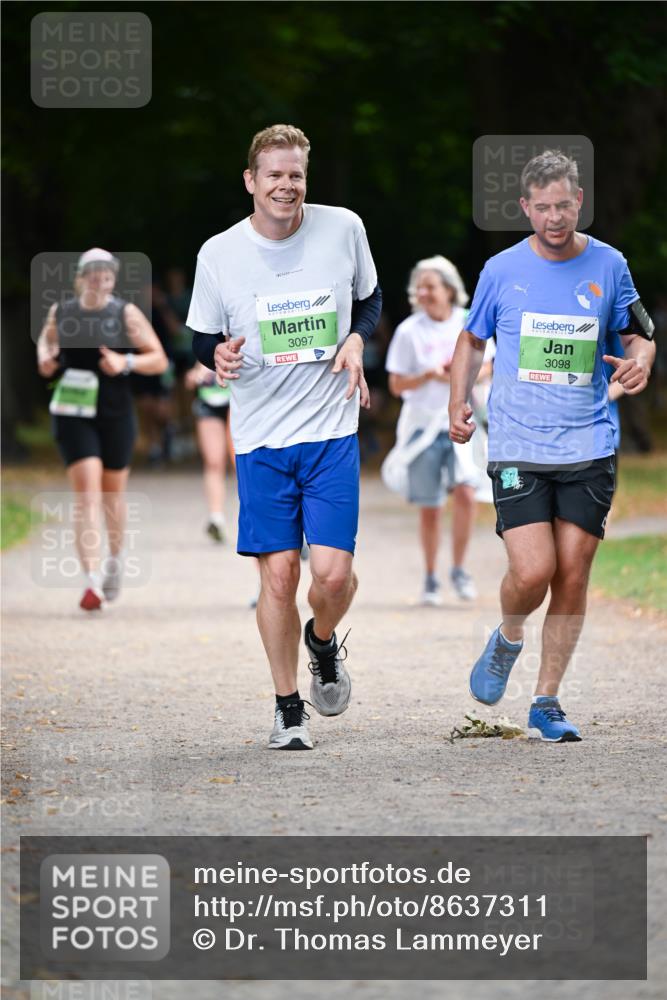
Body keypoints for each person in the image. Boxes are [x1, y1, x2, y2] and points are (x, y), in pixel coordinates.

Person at [449, 150, 655, 743]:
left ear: (579, 201)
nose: (554, 217)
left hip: (589, 441)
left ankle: (546, 700)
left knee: (572, 574)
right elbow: (469, 342)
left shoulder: (609, 264)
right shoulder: (501, 270)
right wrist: (456, 401)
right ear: (525, 208)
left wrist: (640, 362)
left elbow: (640, 333)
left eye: (564, 205)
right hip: (518, 442)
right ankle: (509, 633)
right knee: (534, 570)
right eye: (542, 208)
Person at [187, 124, 381, 750]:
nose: (286, 185)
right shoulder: (219, 254)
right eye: (274, 174)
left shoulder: (344, 228)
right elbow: (200, 339)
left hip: (330, 430)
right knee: (278, 577)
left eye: (295, 174)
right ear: (251, 181)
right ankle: (287, 705)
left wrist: (355, 339)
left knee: (330, 577)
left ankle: (320, 642)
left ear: (306, 177)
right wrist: (215, 357)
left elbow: (370, 302)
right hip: (262, 438)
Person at [37, 248, 169, 611]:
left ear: (113, 277)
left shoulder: (124, 313)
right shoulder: (61, 311)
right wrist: (45, 359)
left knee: (112, 496)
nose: (100, 277)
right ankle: (91, 580)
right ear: (80, 277)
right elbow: (47, 343)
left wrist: (124, 361)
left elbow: (158, 359)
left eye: (106, 272)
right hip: (73, 411)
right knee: (87, 494)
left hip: (114, 412)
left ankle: (115, 559)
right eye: (93, 272)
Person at [386, 256, 494, 605]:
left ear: (449, 289)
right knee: (430, 506)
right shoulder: (408, 331)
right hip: (423, 427)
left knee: (466, 492)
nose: (423, 293)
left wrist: (459, 374)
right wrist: (428, 375)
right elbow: (396, 385)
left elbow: (488, 365)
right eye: (420, 287)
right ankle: (431, 577)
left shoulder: (468, 322)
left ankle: (459, 569)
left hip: (464, 421)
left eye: (430, 286)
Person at [184, 361, 234, 542]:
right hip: (209, 402)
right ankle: (216, 518)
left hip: (237, 402)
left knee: (241, 464)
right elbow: (190, 380)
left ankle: (263, 517)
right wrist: (194, 376)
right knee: (214, 462)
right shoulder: (205, 338)